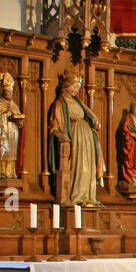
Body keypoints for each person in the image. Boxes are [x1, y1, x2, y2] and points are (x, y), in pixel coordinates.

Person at [47, 69, 105, 206]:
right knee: (79, 167)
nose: (76, 91)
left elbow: (91, 117)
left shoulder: (79, 103)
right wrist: (61, 135)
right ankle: (76, 196)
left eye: (78, 88)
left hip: (87, 139)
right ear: (67, 86)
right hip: (75, 138)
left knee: (88, 168)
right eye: (74, 87)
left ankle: (88, 196)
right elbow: (55, 124)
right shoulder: (60, 103)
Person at [118, 101, 136, 191]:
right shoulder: (129, 119)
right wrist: (134, 135)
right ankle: (132, 179)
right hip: (132, 146)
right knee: (132, 162)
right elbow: (125, 129)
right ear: (132, 109)